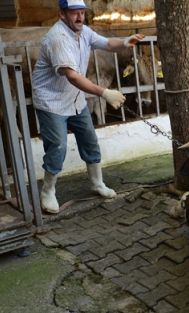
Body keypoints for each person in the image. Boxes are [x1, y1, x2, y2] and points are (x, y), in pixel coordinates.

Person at [32, 0, 144, 214]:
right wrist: (104, 92)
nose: (80, 17)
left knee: (90, 140)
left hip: (75, 99)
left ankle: (96, 183)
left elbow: (107, 44)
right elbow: (73, 76)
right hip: (52, 101)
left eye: (82, 12)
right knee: (57, 147)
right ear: (62, 14)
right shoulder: (58, 38)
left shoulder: (84, 31)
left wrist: (124, 41)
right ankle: (48, 191)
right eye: (74, 13)